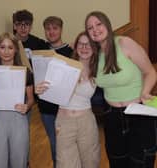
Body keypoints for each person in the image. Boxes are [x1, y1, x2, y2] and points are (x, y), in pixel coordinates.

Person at [85, 11, 157, 168]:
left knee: (141, 162)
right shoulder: (94, 55)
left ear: (107, 25)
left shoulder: (125, 43)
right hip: (111, 117)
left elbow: (150, 72)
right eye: (90, 27)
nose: (95, 29)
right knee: (117, 162)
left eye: (98, 24)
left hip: (138, 113)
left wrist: (145, 91)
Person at [35, 31, 101, 168]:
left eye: (89, 44)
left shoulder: (99, 69)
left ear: (95, 47)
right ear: (75, 47)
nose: (84, 47)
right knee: (65, 164)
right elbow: (48, 86)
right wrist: (40, 89)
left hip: (86, 122)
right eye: (81, 44)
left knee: (91, 162)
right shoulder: (64, 66)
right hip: (64, 122)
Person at [0, 32, 34, 168]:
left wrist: (27, 106)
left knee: (19, 160)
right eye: (2, 47)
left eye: (10, 47)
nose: (6, 51)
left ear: (16, 49)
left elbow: (31, 99)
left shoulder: (25, 72)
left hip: (18, 120)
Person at [36, 16, 73, 168]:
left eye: (55, 28)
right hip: (46, 109)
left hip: (66, 109)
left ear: (61, 29)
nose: (51, 32)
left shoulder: (71, 52)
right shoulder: (40, 51)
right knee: (54, 144)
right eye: (48, 29)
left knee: (67, 145)